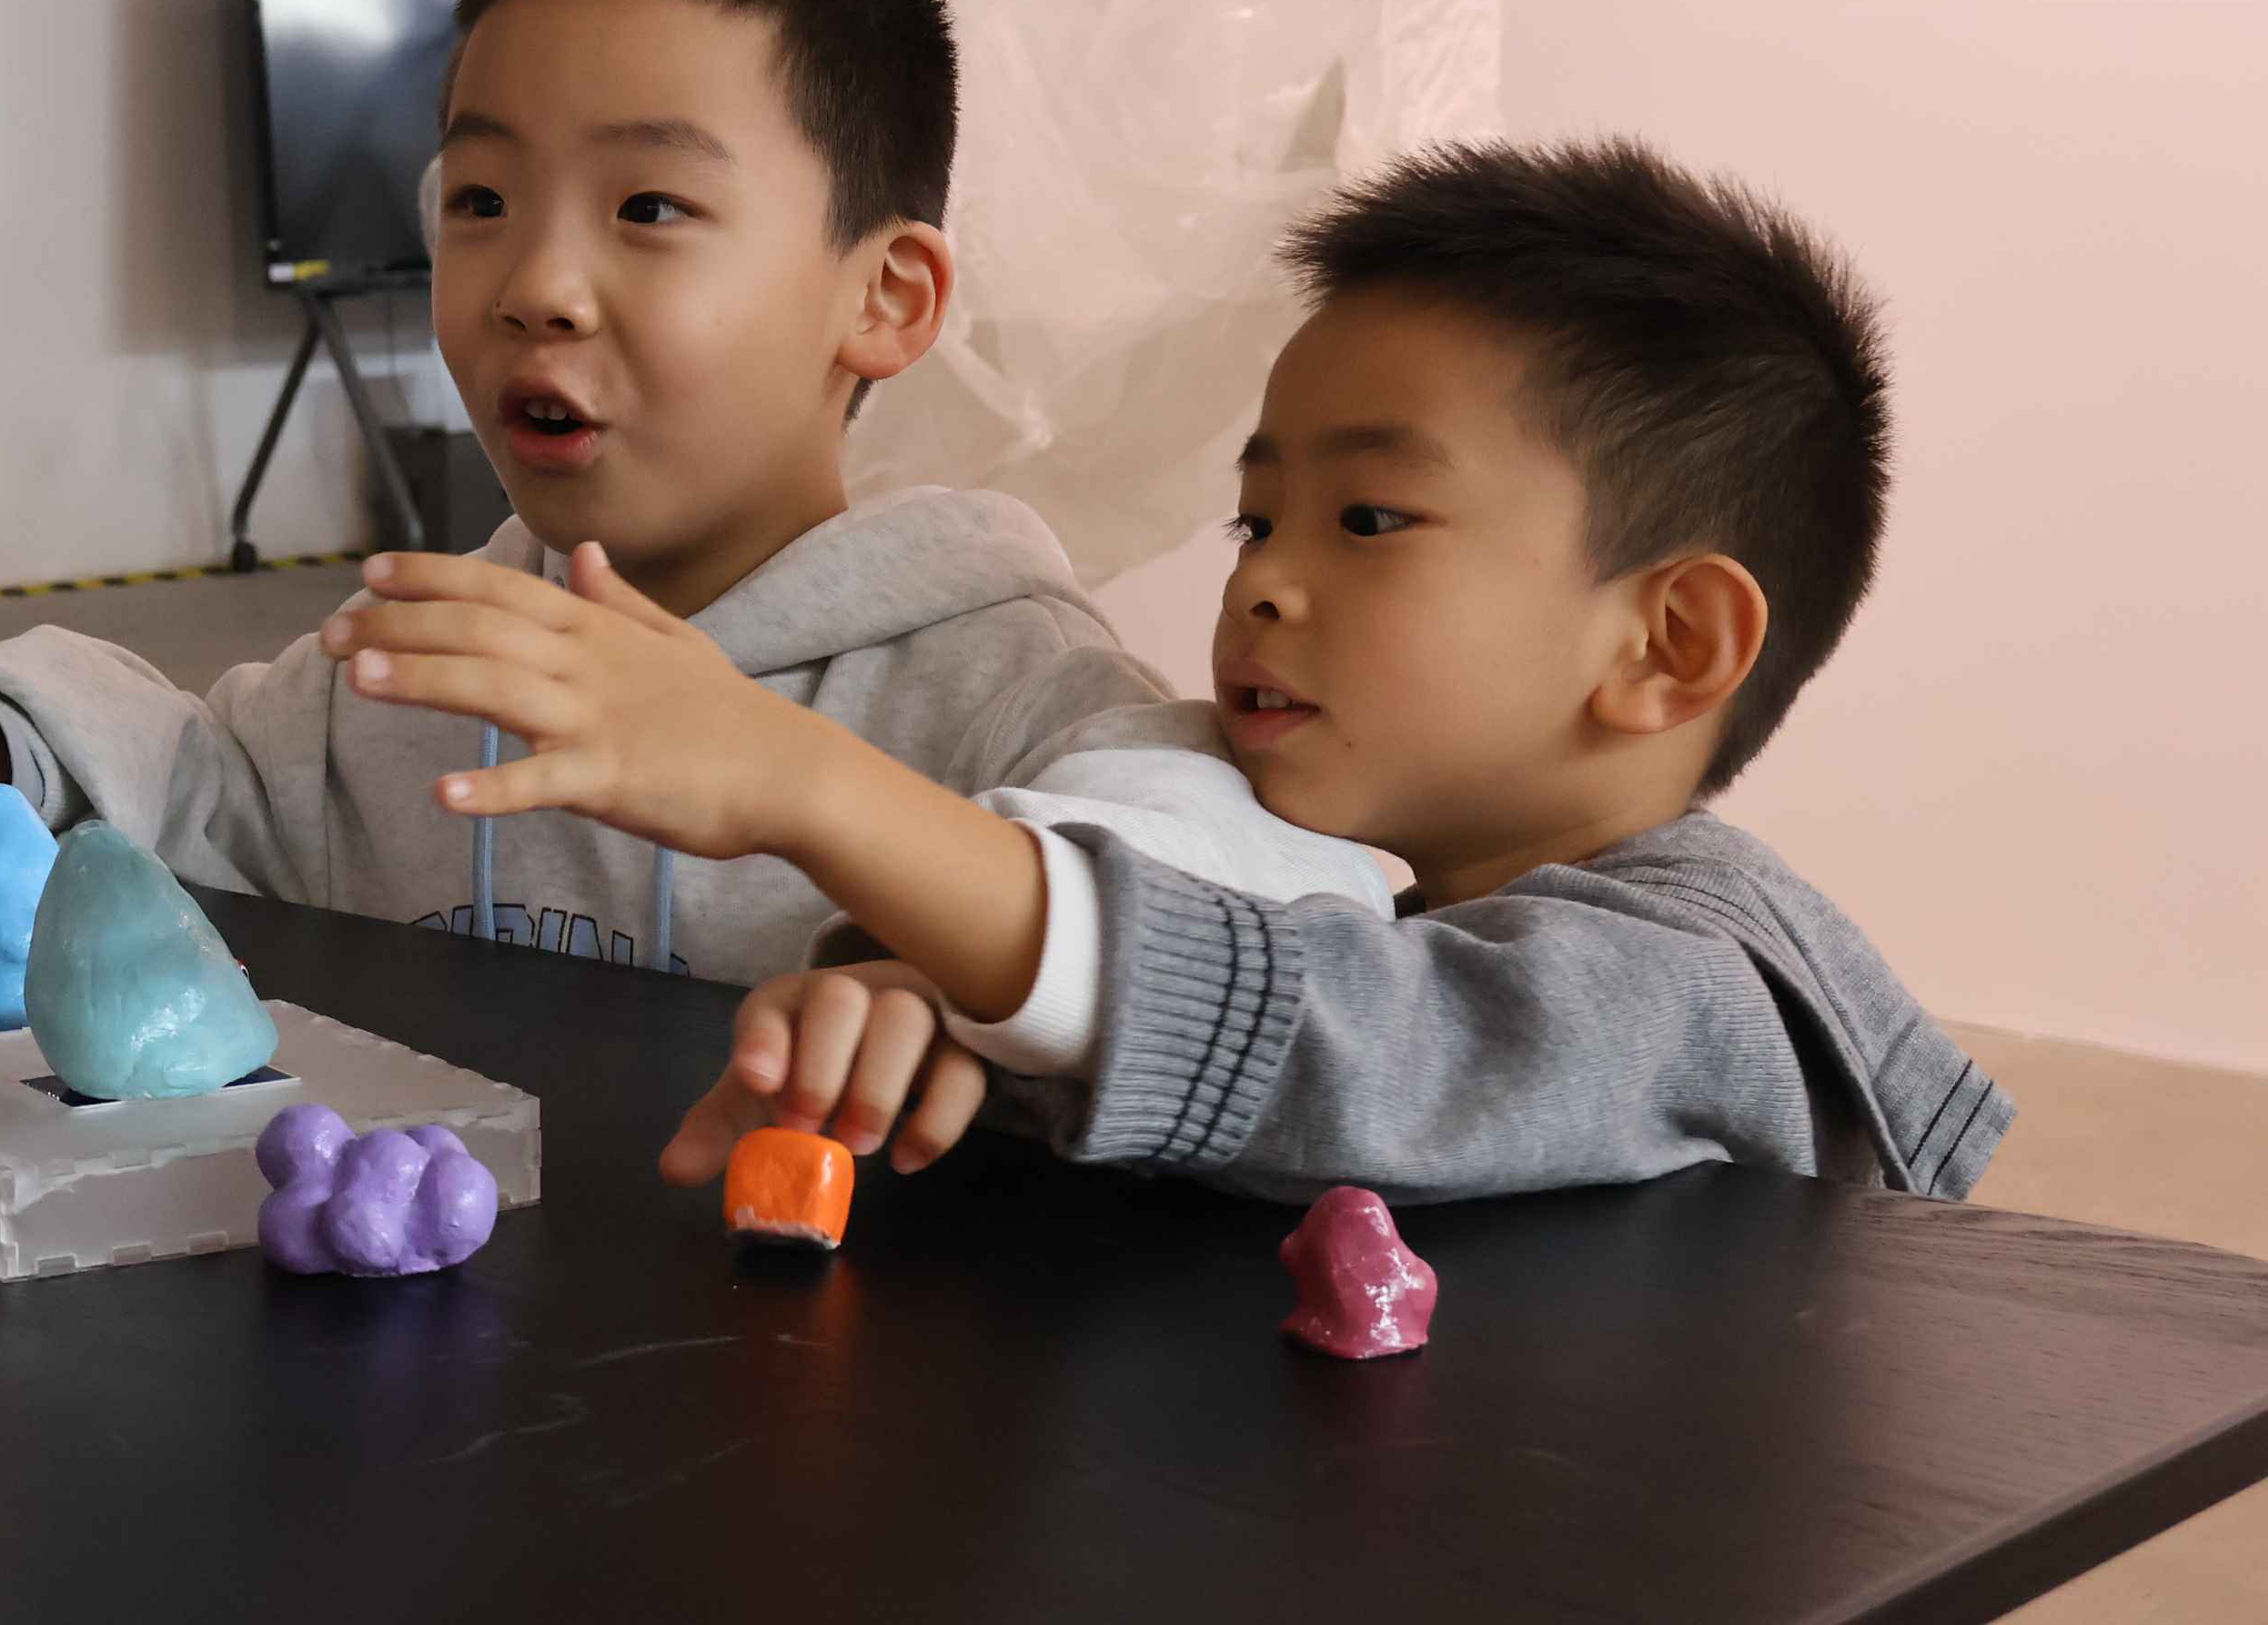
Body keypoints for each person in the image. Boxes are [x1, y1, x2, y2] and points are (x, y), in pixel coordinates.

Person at [0, 0, 1380, 985]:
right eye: (479, 201)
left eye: (650, 208)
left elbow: (1252, 925)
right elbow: (200, 777)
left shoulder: (1011, 698)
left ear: (884, 299)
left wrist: (824, 803)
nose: (536, 284)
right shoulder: (425, 663)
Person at [357, 137, 2010, 1199]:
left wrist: (810, 785)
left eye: (1369, 519)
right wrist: (949, 1012)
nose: (1264, 582)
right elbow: (1232, 1015)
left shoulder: (1701, 988)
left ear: (1667, 646)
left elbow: (1371, 1050)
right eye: (1255, 520)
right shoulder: (1361, 887)